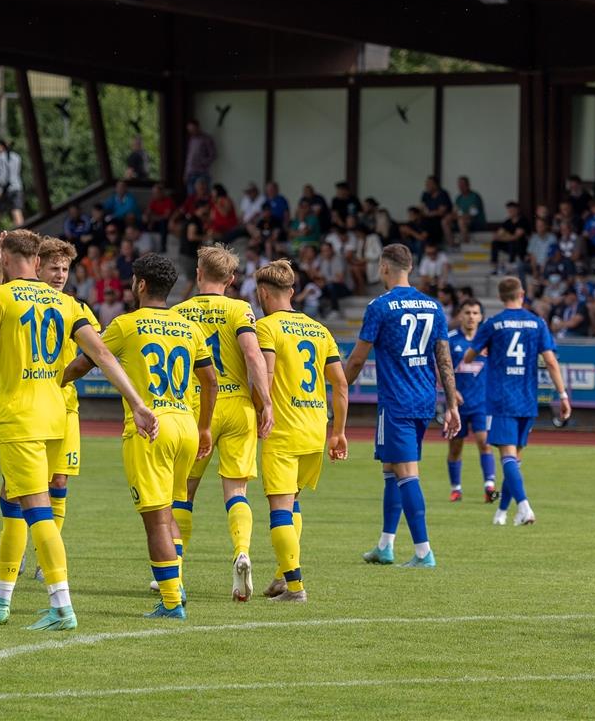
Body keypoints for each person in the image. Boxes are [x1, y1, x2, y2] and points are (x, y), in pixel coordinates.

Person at [0, 229, 159, 631]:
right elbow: (102, 353)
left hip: (21, 420)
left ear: (2, 255)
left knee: (36, 511)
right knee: (16, 506)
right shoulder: (71, 303)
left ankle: (61, 605)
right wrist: (137, 403)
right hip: (58, 418)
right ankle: (0, 598)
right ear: (37, 261)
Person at [64, 253, 215, 619]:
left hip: (150, 428)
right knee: (172, 511)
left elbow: (87, 361)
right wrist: (205, 425)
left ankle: (170, 602)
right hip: (184, 425)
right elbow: (210, 380)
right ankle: (175, 586)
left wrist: (55, 379)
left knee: (156, 519)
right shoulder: (189, 328)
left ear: (141, 284)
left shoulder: (125, 325)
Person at [345, 244, 459, 569]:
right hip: (424, 399)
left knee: (406, 473)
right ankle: (386, 545)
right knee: (391, 469)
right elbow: (444, 359)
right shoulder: (433, 306)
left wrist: (337, 387)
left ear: (384, 267)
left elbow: (357, 359)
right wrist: (451, 404)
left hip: (396, 401)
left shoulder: (380, 306)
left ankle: (424, 551)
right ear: (410, 267)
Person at [170, 245, 273, 603]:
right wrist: (266, 402)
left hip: (197, 410)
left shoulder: (179, 312)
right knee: (237, 492)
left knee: (183, 492)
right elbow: (252, 356)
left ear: (198, 274)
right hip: (238, 408)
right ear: (230, 280)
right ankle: (241, 550)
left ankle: (174, 570)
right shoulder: (241, 309)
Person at [253, 259, 349, 602]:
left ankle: (295, 587)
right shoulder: (320, 329)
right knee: (293, 506)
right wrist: (338, 432)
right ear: (292, 292)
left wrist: (263, 407)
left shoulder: (267, 328)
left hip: (282, 430)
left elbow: (266, 374)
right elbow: (340, 385)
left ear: (262, 293)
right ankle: (282, 574)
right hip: (314, 430)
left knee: (279, 508)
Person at [13, 238, 99, 583]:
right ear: (37, 266)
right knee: (19, 485)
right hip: (27, 406)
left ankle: (43, 558)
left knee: (59, 481)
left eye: (65, 268)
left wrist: (68, 374)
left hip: (65, 409)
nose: (61, 274)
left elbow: (96, 349)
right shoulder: (18, 301)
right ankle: (15, 550)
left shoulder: (74, 306)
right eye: (54, 268)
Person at [464, 277, 571, 526]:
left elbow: (469, 356)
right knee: (514, 459)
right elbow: (551, 362)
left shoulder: (493, 324)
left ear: (501, 297)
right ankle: (502, 513)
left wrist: (482, 350)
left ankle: (524, 507)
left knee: (507, 457)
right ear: (521, 294)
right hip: (527, 399)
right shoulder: (537, 323)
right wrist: (562, 395)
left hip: (502, 399)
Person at [446, 299, 498, 504]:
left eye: (475, 313)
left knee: (484, 442)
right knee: (455, 447)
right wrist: (452, 391)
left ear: (481, 317)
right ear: (460, 315)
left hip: (482, 403)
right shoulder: (450, 340)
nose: (471, 317)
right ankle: (456, 488)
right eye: (467, 312)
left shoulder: (488, 341)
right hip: (457, 405)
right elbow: (442, 369)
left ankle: (489, 487)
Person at [0, 139, 25, 239]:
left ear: (2, 146)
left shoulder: (0, 157)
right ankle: (23, 235)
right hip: (17, 187)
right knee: (16, 211)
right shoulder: (16, 156)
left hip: (5, 189)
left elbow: (1, 175)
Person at [490, 202, 529, 274]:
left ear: (517, 210)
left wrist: (506, 236)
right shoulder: (507, 222)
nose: (510, 212)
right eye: (508, 210)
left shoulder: (523, 221)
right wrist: (507, 236)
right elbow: (496, 236)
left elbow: (516, 237)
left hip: (521, 247)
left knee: (513, 242)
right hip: (509, 245)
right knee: (495, 243)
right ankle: (494, 264)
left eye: (512, 210)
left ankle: (511, 264)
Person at [184, 119, 216, 194]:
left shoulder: (206, 139)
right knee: (191, 197)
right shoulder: (191, 140)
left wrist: (202, 162)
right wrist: (185, 173)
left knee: (203, 195)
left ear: (198, 127)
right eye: (190, 130)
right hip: (191, 173)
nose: (191, 132)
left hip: (202, 173)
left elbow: (213, 155)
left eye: (193, 129)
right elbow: (189, 158)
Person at [420, 175, 453, 248]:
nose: (427, 185)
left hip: (439, 219)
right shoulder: (425, 195)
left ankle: (431, 246)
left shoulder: (443, 194)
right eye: (426, 183)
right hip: (427, 219)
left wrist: (428, 213)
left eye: (429, 184)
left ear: (435, 185)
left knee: (430, 226)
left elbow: (441, 212)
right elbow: (421, 209)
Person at [452, 176, 485, 244]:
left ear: (468, 185)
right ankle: (452, 244)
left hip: (476, 222)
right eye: (459, 184)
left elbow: (472, 214)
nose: (460, 186)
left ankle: (465, 244)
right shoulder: (459, 198)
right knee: (445, 221)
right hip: (462, 220)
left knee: (461, 221)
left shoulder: (475, 196)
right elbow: (455, 212)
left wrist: (460, 216)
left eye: (462, 184)